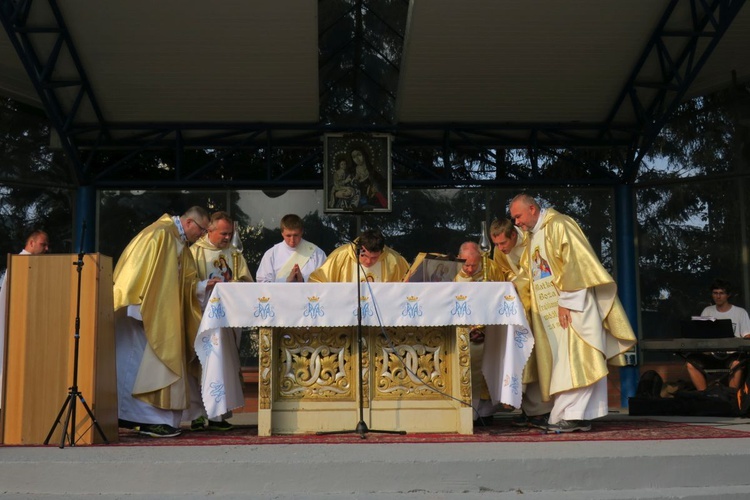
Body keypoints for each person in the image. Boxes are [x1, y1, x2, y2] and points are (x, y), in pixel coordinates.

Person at [509, 193, 636, 432]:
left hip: (573, 307)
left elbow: (576, 263)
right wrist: (508, 288)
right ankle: (571, 415)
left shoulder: (560, 225)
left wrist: (567, 300)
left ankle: (574, 416)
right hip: (551, 313)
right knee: (563, 363)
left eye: (518, 216)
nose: (516, 222)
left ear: (533, 209)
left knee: (577, 360)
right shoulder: (533, 236)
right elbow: (529, 272)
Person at [113, 207, 209, 438]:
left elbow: (180, 283)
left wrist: (202, 287)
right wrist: (141, 309)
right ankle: (146, 419)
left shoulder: (177, 240)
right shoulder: (159, 235)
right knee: (140, 365)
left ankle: (153, 419)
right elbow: (139, 272)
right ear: (189, 223)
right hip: (143, 313)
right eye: (202, 230)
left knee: (153, 364)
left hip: (161, 313)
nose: (202, 236)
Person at [188, 211, 253, 431]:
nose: (227, 238)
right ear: (210, 230)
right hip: (201, 316)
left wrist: (236, 285)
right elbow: (185, 285)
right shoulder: (195, 252)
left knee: (223, 364)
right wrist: (204, 285)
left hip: (226, 319)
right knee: (199, 365)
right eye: (223, 233)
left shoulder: (234, 253)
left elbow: (245, 280)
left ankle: (218, 415)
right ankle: (197, 415)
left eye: (230, 233)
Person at [0, 229, 50, 410]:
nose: (46, 249)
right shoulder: (19, 265)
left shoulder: (33, 265)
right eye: (42, 244)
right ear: (31, 243)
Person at [453, 241, 503, 424]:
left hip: (489, 333)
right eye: (466, 264)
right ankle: (467, 411)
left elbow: (503, 295)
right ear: (459, 259)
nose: (470, 269)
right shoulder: (451, 274)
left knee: (488, 370)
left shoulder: (492, 269)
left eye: (474, 265)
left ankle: (487, 412)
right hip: (462, 333)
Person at [685, 279, 750, 391]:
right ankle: (705, 396)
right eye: (715, 293)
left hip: (732, 355)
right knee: (691, 363)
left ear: (728, 295)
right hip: (711, 355)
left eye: (721, 293)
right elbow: (701, 334)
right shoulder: (707, 311)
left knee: (737, 364)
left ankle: (732, 398)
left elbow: (747, 336)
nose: (718, 296)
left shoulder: (740, 312)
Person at [308, 228, 409, 283]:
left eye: (374, 258)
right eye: (364, 256)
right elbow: (317, 280)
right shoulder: (340, 256)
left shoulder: (394, 260)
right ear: (359, 248)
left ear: (381, 251)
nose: (369, 262)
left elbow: (408, 284)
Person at [256, 214, 326, 283]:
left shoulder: (317, 254)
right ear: (282, 233)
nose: (292, 240)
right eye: (288, 235)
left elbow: (324, 281)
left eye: (295, 235)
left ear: (301, 232)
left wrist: (302, 280)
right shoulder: (271, 254)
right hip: (279, 294)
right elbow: (263, 282)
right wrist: (286, 281)